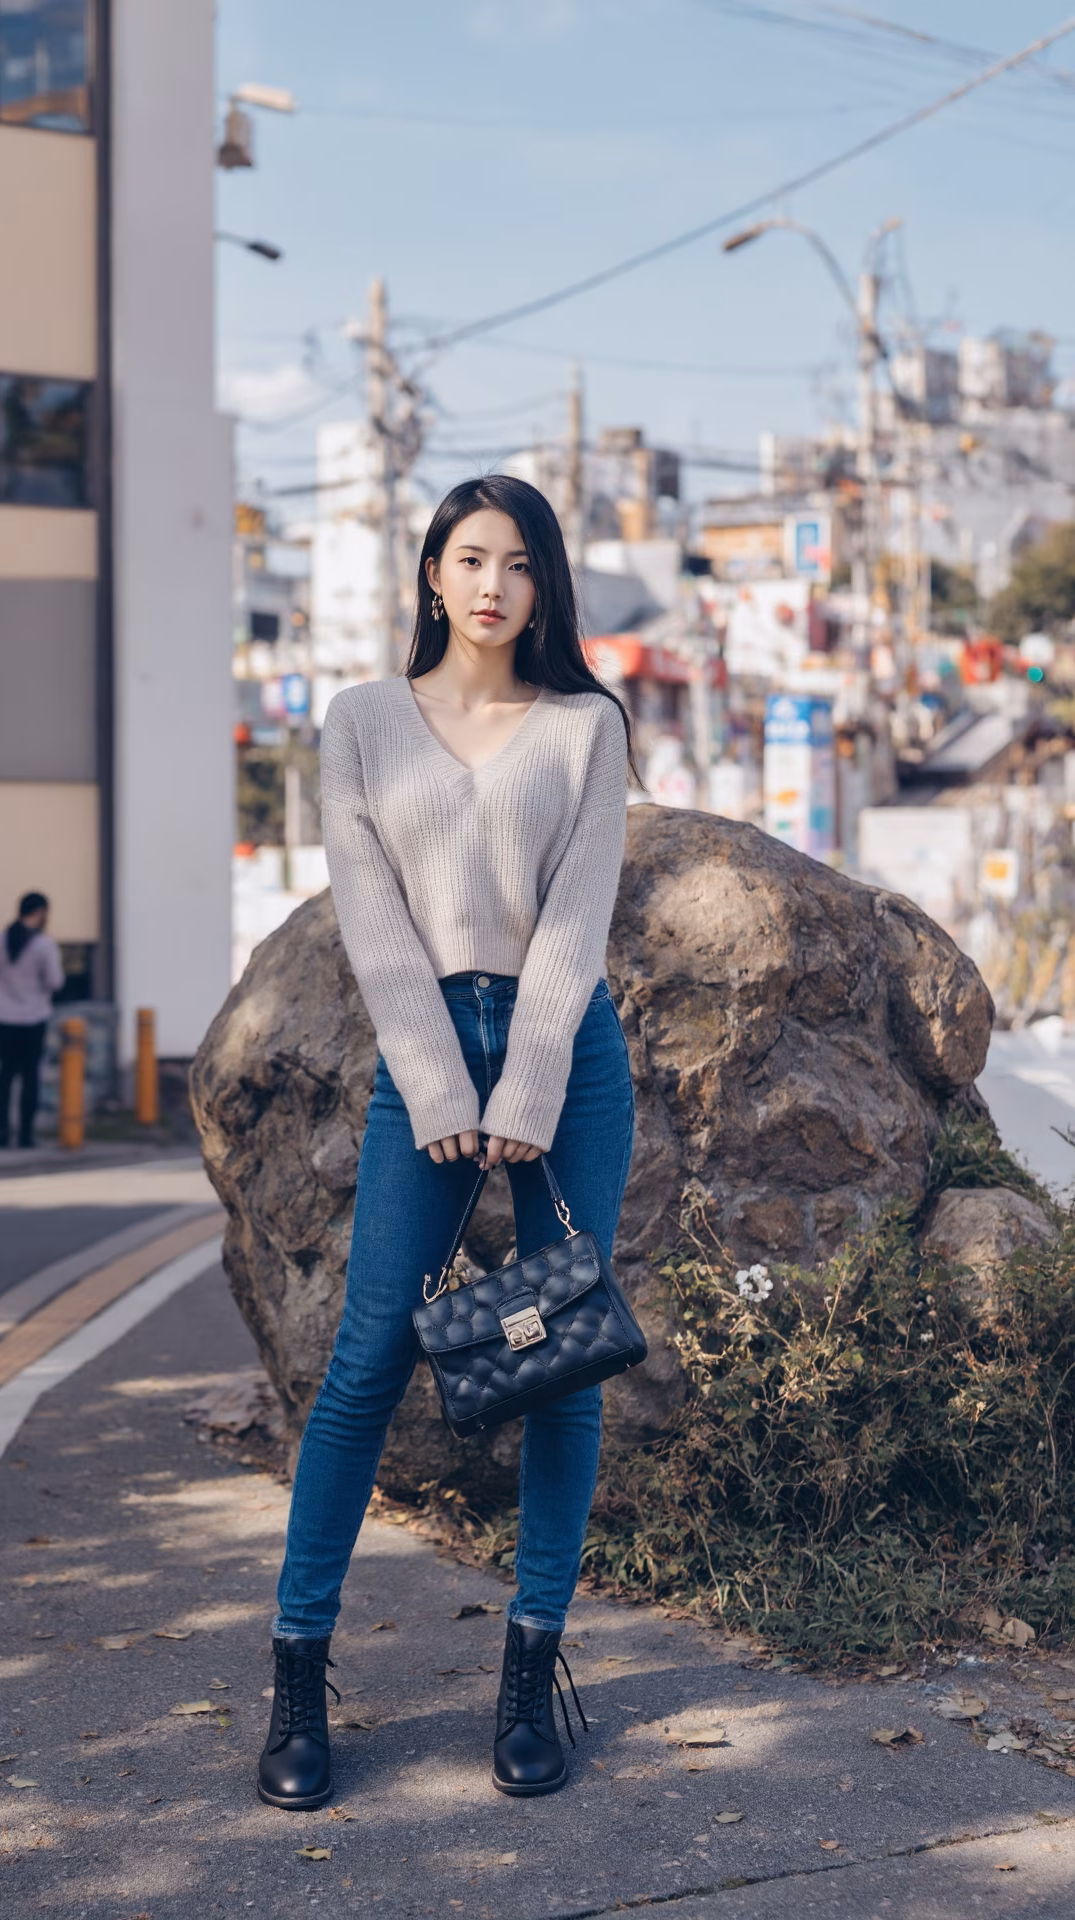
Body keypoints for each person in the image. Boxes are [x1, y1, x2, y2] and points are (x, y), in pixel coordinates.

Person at [258, 476, 639, 1812]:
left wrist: (525, 1094)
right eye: (470, 558)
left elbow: (577, 927)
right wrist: (441, 1091)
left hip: (567, 1059)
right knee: (365, 1359)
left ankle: (531, 1671)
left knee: (559, 1358)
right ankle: (299, 1675)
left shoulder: (588, 730)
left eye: (519, 562)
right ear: (430, 575)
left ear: (544, 588)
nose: (493, 584)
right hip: (424, 1051)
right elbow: (371, 927)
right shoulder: (361, 724)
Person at [0, 891, 65, 1150]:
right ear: (40, 912)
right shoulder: (44, 945)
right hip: (32, 1017)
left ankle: (1, 1133)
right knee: (30, 1077)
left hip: (1, 1016)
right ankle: (26, 1135)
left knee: (4, 1075)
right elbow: (55, 981)